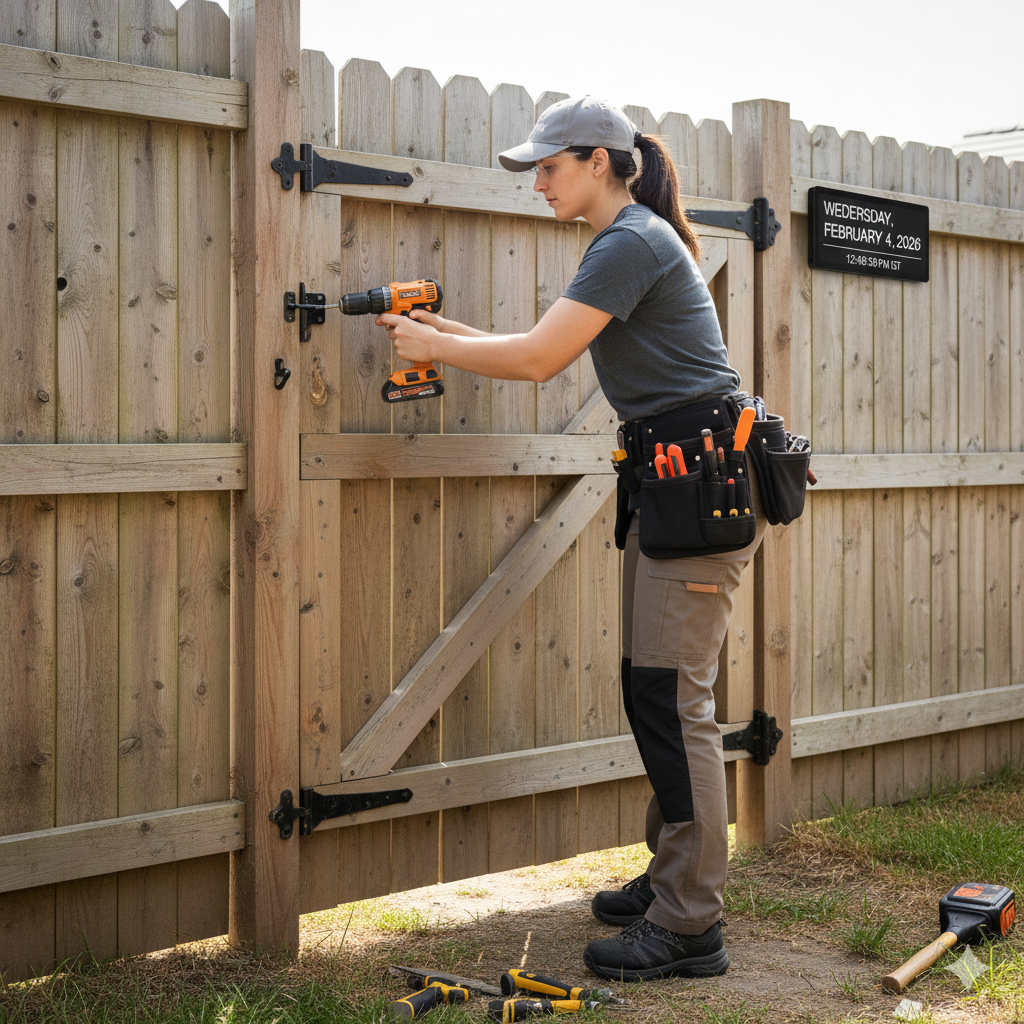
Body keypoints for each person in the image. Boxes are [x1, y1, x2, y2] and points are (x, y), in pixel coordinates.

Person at [376, 95, 767, 981]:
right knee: (651, 691)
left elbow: (536, 361)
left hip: (695, 490)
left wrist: (431, 346)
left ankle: (690, 922)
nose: (539, 183)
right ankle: (675, 876)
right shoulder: (623, 241)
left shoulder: (629, 242)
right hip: (673, 488)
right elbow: (534, 342)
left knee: (676, 702)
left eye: (549, 167)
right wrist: (443, 334)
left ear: (600, 161)